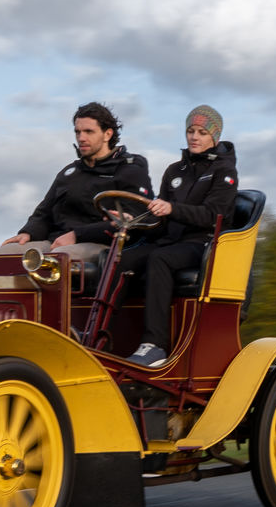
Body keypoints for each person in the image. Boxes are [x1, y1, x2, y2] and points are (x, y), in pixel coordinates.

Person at [102, 105, 239, 368]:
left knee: (159, 259)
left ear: (215, 138)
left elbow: (214, 216)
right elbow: (160, 220)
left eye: (201, 132)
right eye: (190, 131)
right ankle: (104, 335)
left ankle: (155, 345)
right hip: (170, 241)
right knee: (120, 259)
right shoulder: (174, 171)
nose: (194, 137)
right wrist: (136, 222)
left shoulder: (224, 172)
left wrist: (172, 208)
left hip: (202, 244)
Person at [0, 103, 151, 253]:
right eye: (78, 132)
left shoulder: (130, 169)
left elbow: (134, 219)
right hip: (56, 240)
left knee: (59, 259)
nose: (81, 138)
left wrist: (77, 235)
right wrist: (28, 233)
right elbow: (44, 213)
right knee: (7, 253)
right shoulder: (70, 173)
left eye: (88, 132)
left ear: (107, 134)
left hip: (100, 244)